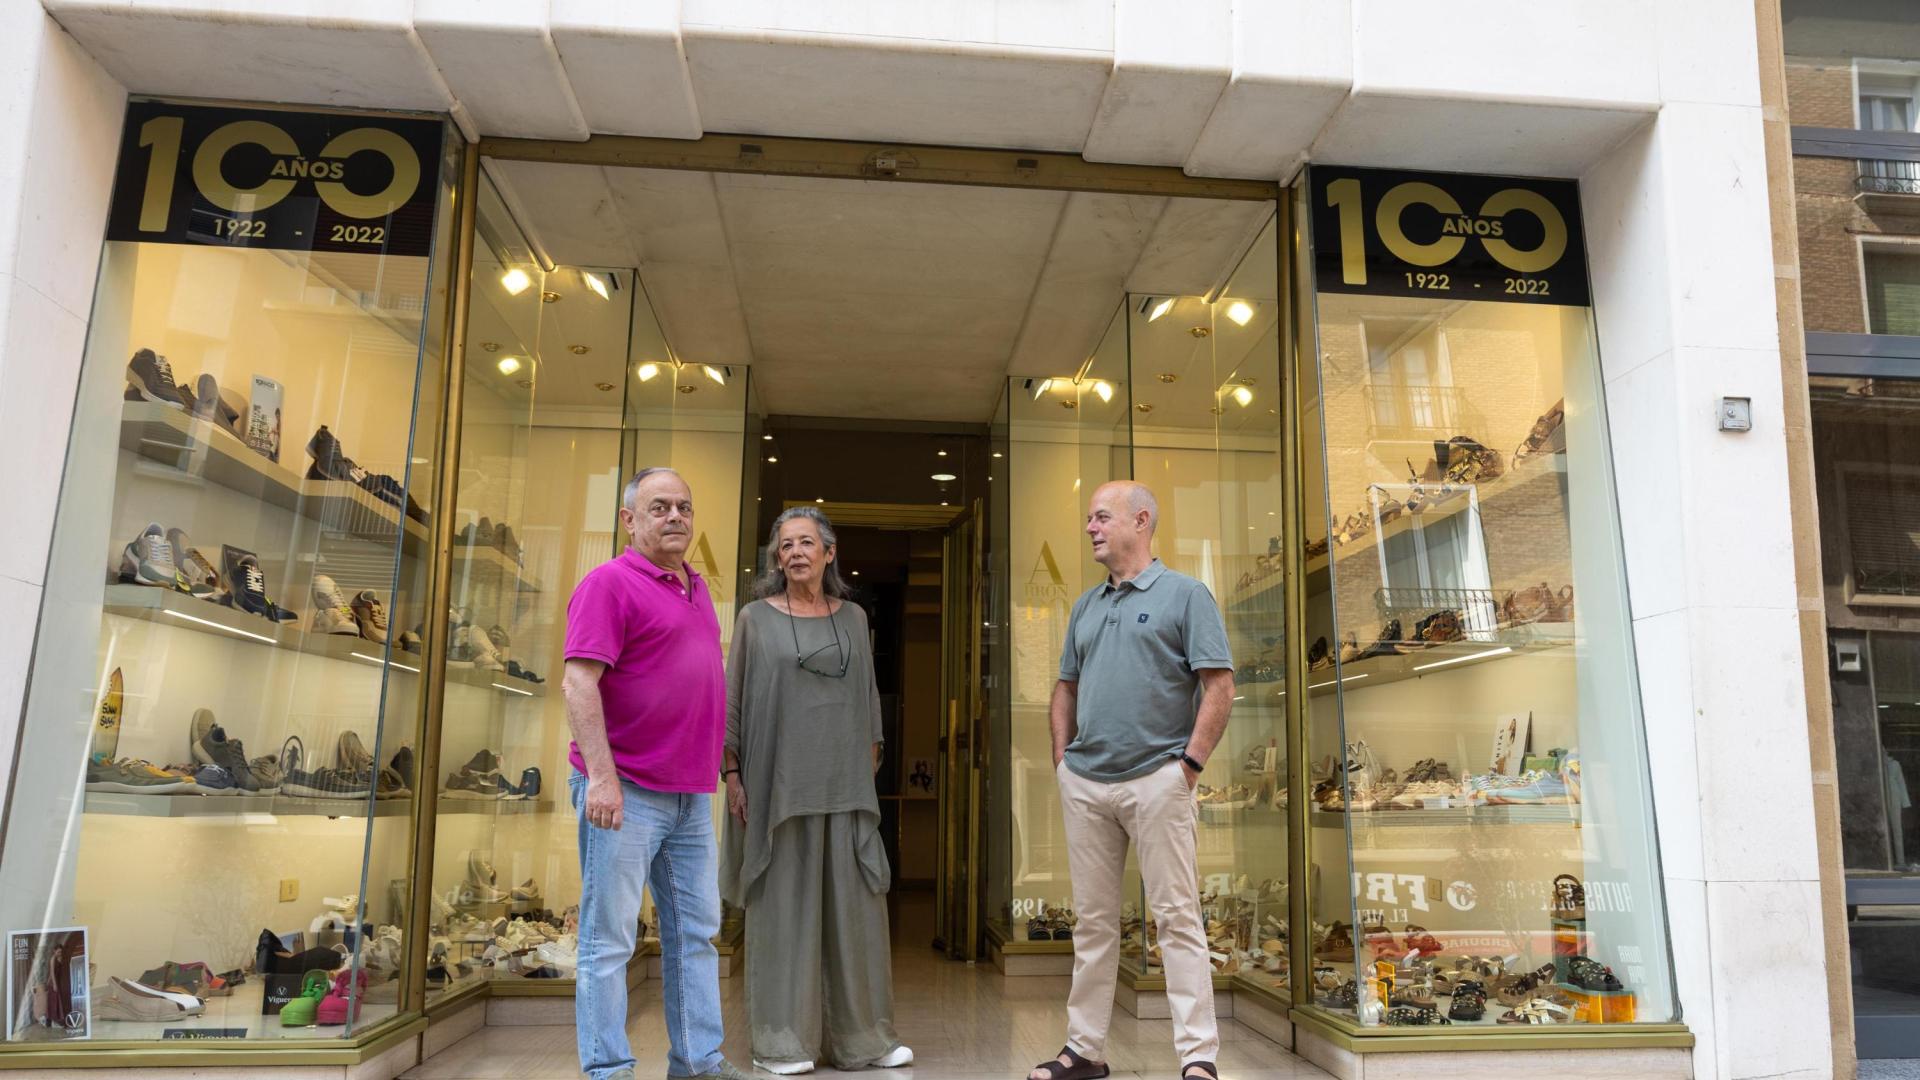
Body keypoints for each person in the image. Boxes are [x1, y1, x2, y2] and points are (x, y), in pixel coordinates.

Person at [1029, 481, 1234, 1080]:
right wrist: (1063, 761)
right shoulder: (1086, 606)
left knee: (1177, 918)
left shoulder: (1186, 595)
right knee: (1093, 924)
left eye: (1101, 517)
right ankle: (1083, 1051)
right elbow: (1065, 687)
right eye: (1089, 518)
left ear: (1141, 521)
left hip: (1158, 780)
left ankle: (1198, 1057)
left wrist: (1188, 767)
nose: (1090, 527)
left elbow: (1219, 686)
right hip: (1086, 783)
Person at [562, 467, 749, 1080]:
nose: (675, 517)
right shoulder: (608, 584)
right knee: (609, 939)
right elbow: (578, 683)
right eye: (659, 506)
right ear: (629, 520)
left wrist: (723, 769)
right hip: (626, 791)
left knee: (696, 935)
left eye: (684, 508)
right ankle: (608, 1069)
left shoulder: (695, 589)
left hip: (689, 797)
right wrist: (602, 777)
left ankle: (698, 1063)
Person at [720, 506, 911, 1075]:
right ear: (776, 559)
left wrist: (865, 769)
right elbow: (733, 701)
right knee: (784, 917)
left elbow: (869, 702)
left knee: (856, 918)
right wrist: (733, 775)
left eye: (806, 542)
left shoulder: (853, 618)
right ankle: (782, 1043)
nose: (795, 553)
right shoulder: (754, 619)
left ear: (829, 553)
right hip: (777, 788)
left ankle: (865, 1041)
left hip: (845, 788)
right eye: (785, 545)